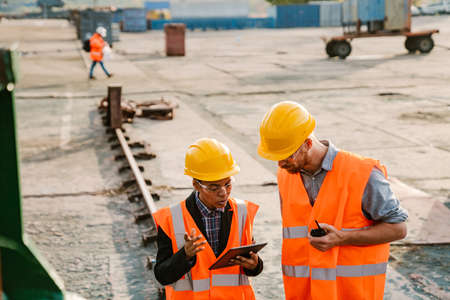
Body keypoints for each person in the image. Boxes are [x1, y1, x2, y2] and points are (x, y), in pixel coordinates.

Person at [257, 101, 408, 300]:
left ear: (308, 144)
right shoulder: (286, 175)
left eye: (286, 155)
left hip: (351, 293)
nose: (280, 163)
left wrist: (343, 238)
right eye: (275, 157)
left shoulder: (362, 174)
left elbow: (399, 228)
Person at [153, 138, 263, 300]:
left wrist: (255, 265)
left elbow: (249, 265)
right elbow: (162, 275)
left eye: (228, 184)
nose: (223, 192)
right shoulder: (171, 218)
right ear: (196, 185)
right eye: (214, 187)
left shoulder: (242, 212)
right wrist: (185, 255)